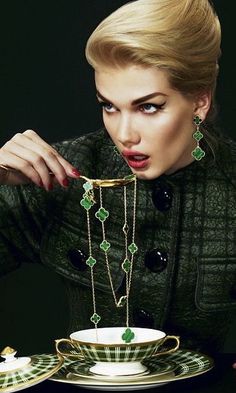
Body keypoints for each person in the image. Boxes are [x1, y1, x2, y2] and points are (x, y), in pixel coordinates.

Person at [0, 0, 235, 362]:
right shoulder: (67, 171)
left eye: (149, 106)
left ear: (200, 101)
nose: (124, 134)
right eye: (109, 106)